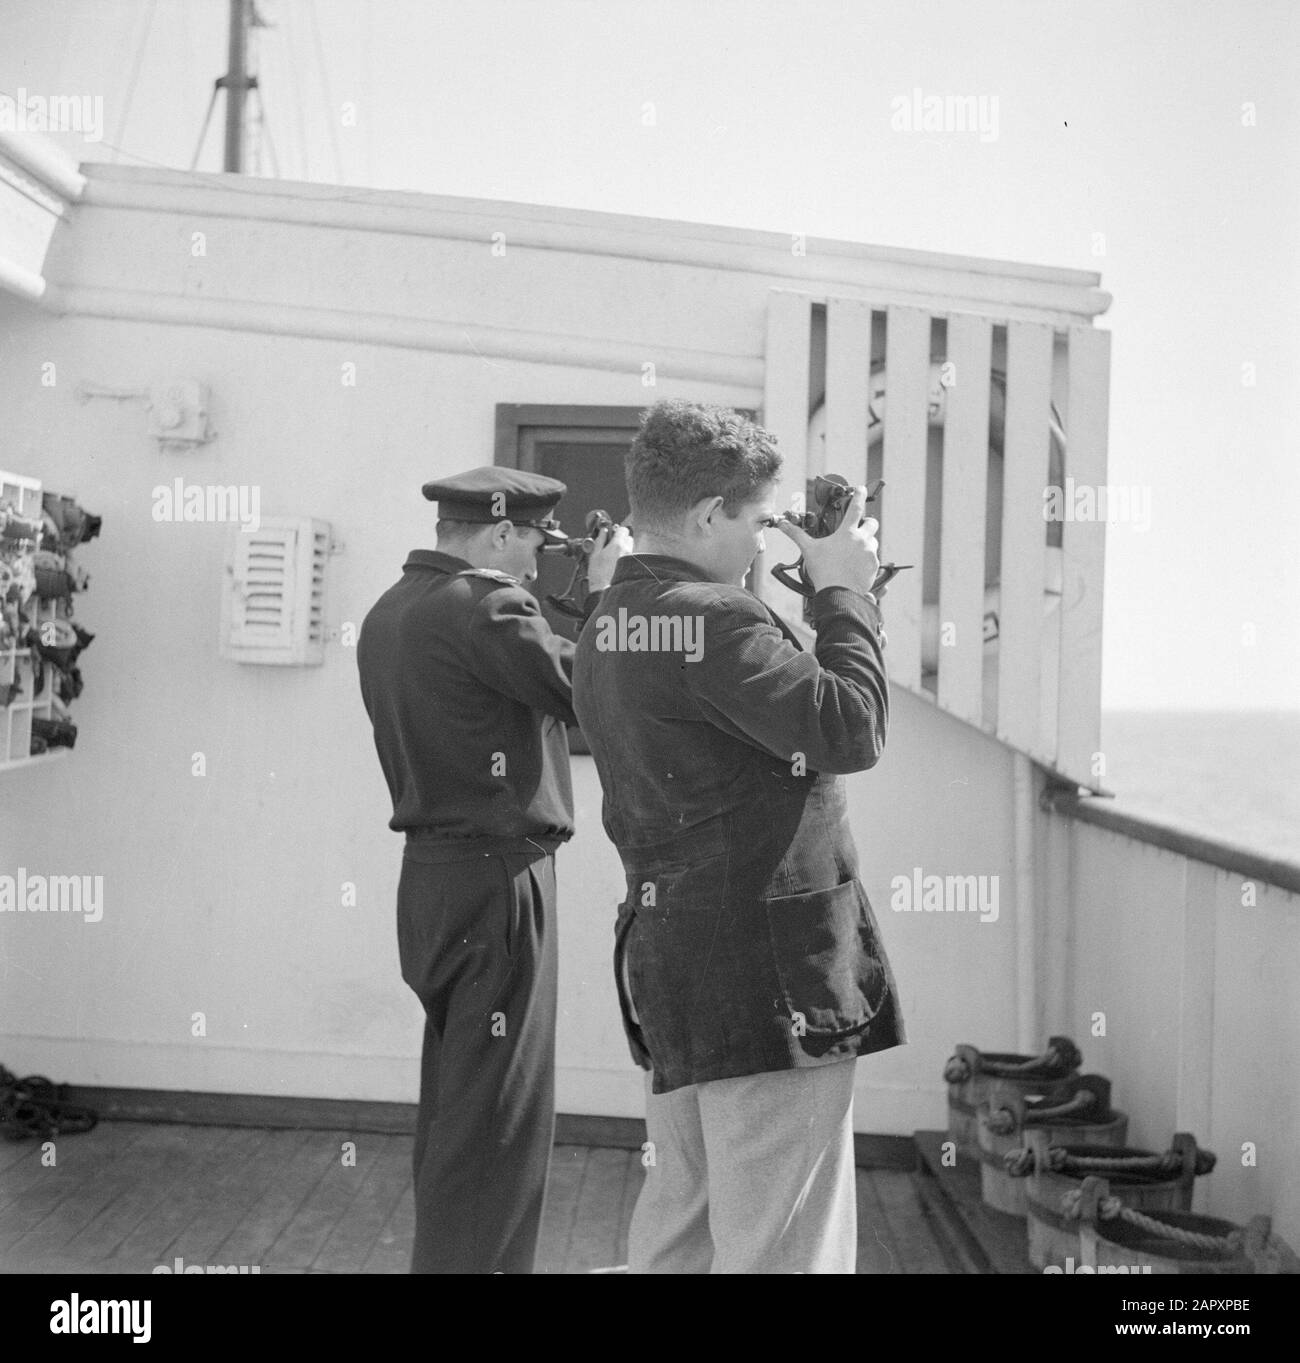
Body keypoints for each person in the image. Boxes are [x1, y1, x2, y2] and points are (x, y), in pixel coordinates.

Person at [573, 400, 906, 1274]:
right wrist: (844, 592)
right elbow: (848, 728)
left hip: (680, 967)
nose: (766, 543)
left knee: (682, 1230)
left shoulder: (611, 618)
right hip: (769, 984)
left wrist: (822, 598)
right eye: (757, 522)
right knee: (779, 1247)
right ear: (711, 513)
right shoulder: (718, 623)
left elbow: (727, 707)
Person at [357, 466, 629, 1274]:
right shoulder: (485, 606)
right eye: (539, 544)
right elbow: (599, 691)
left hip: (433, 882)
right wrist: (611, 591)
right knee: (499, 1126)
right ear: (502, 533)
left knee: (458, 1110)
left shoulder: (391, 611)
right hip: (499, 884)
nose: (542, 563)